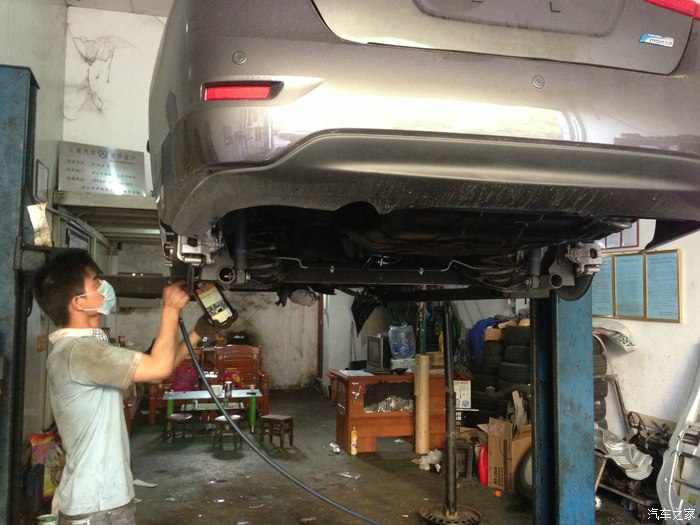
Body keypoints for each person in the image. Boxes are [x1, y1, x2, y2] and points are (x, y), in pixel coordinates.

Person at [32, 249, 228, 525]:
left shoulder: (83, 349)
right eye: (96, 282)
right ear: (78, 302)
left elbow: (157, 370)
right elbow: (159, 368)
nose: (104, 286)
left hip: (104, 501)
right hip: (95, 506)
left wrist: (197, 333)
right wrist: (170, 309)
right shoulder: (79, 352)